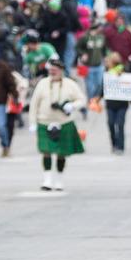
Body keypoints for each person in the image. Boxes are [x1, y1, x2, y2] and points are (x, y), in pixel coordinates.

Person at [27, 57, 86, 191]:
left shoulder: (70, 84)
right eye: (51, 70)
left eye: (55, 70)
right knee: (46, 151)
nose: (53, 72)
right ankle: (47, 180)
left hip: (64, 123)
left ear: (61, 71)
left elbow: (82, 99)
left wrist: (72, 105)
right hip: (44, 122)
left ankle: (59, 179)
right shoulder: (42, 83)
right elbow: (34, 104)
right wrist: (32, 122)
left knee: (61, 152)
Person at [101, 52, 129, 153]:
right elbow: (103, 85)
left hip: (122, 103)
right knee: (111, 123)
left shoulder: (124, 69)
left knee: (120, 124)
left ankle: (121, 146)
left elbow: (130, 83)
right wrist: (98, 97)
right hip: (110, 103)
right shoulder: (107, 72)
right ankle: (114, 144)